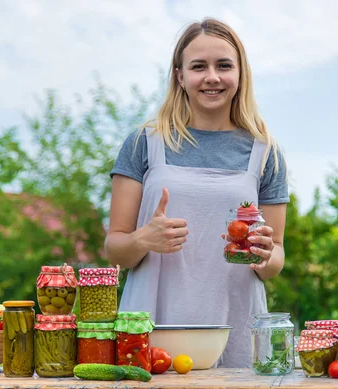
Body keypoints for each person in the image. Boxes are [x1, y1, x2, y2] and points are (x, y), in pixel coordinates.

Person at [105, 17, 289, 368]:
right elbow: (116, 248)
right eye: (198, 66)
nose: (212, 77)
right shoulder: (144, 143)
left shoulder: (265, 153)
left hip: (234, 324)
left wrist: (265, 254)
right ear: (180, 76)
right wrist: (144, 239)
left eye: (224, 65)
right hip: (152, 323)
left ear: (240, 74)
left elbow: (275, 258)